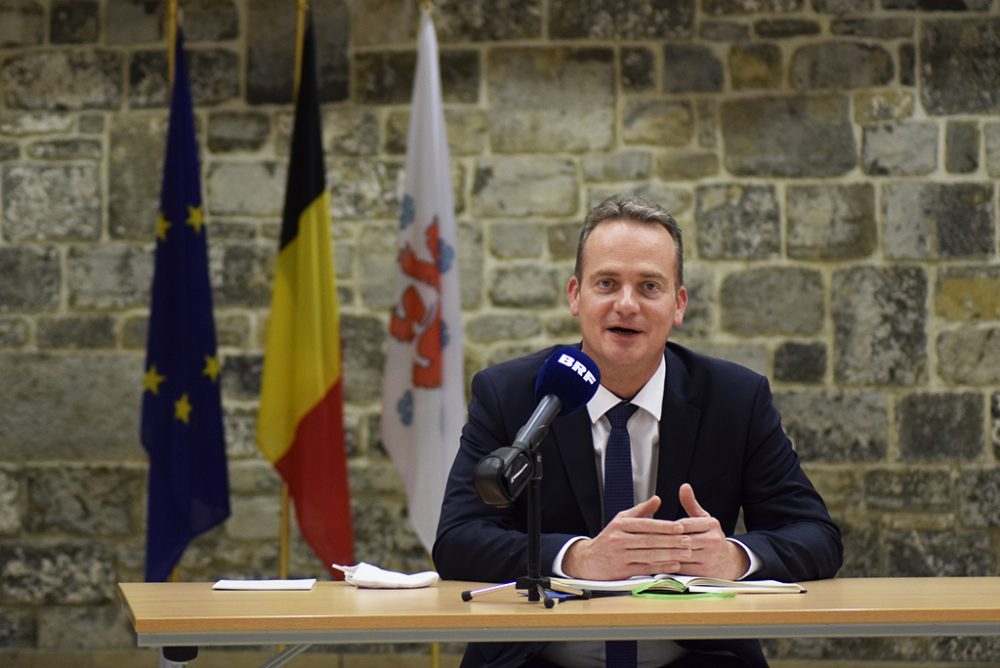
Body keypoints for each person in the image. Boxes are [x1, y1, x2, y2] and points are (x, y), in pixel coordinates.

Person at [433, 193, 843, 668]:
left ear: (678, 304)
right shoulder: (511, 394)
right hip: (538, 659)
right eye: (607, 283)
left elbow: (817, 536)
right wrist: (576, 559)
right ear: (575, 295)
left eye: (650, 286)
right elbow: (458, 539)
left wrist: (732, 558)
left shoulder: (735, 399)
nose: (626, 305)